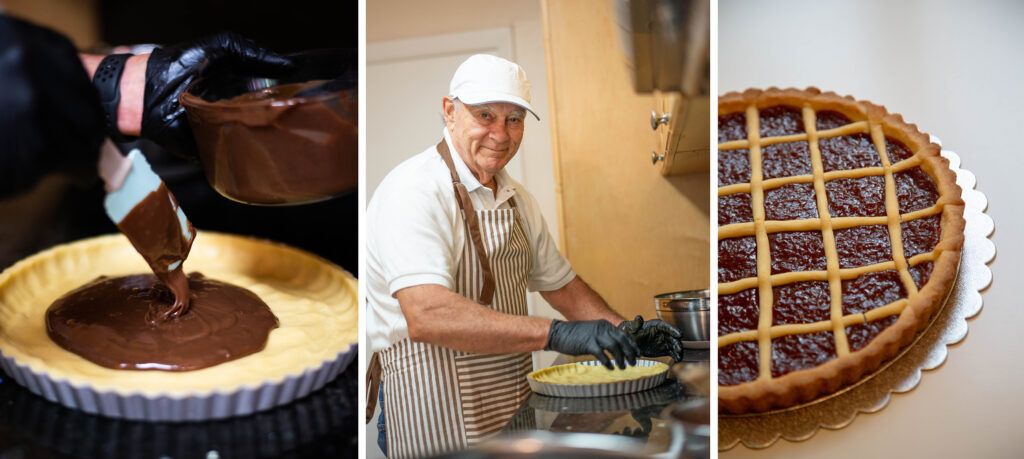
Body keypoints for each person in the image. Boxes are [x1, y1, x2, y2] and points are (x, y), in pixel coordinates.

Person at [365, 54, 684, 458]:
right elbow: (428, 315)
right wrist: (558, 333)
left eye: (513, 119)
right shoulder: (413, 191)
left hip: (510, 402)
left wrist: (624, 330)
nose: (501, 134)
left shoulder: (517, 199)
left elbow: (562, 286)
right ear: (450, 111)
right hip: (432, 400)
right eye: (485, 115)